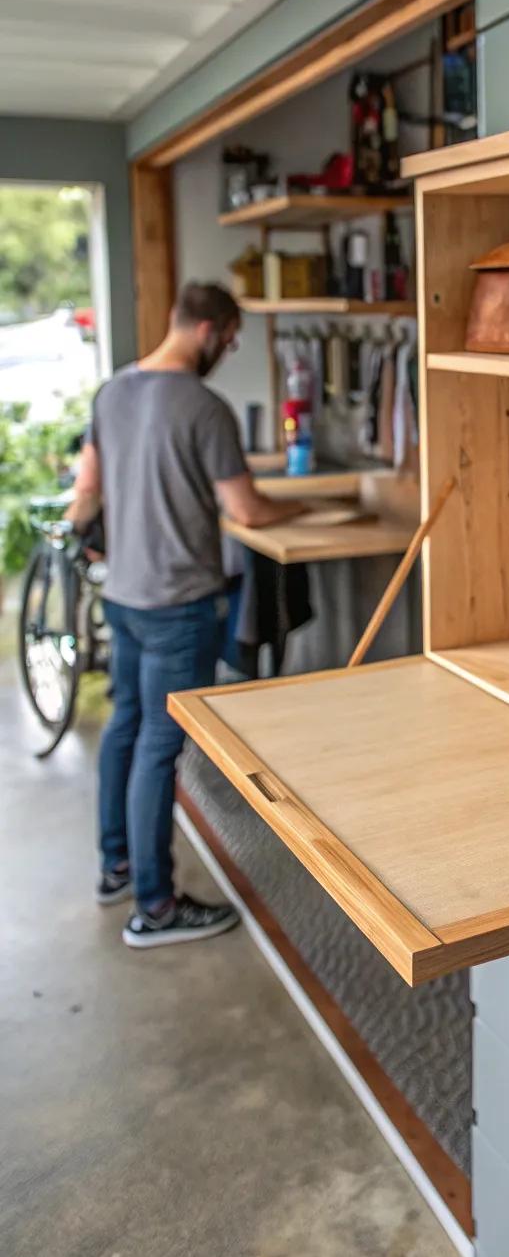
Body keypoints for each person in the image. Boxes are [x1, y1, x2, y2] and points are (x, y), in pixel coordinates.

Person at [68, 281, 307, 948]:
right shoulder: (205, 407)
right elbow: (249, 512)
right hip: (180, 604)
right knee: (158, 748)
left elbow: (85, 494)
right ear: (208, 328)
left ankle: (116, 867)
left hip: (125, 596)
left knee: (125, 727)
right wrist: (305, 508)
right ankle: (158, 907)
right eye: (230, 339)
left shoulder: (112, 391)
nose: (229, 349)